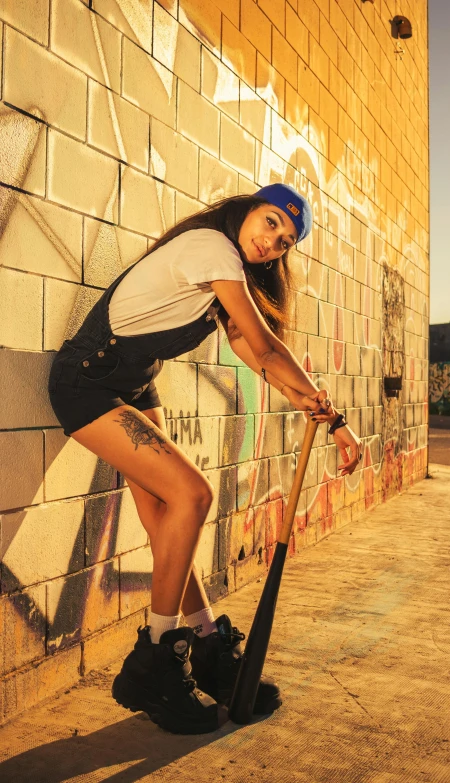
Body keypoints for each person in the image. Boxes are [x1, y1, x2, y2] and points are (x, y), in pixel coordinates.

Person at [48, 183, 363, 734]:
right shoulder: (211, 248)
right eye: (271, 224)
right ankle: (155, 659)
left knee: (167, 519)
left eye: (286, 241)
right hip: (88, 384)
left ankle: (206, 643)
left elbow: (254, 350)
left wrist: (310, 404)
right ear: (247, 210)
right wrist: (335, 421)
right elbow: (265, 349)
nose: (274, 243)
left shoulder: (226, 274)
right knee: (193, 495)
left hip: (134, 388)